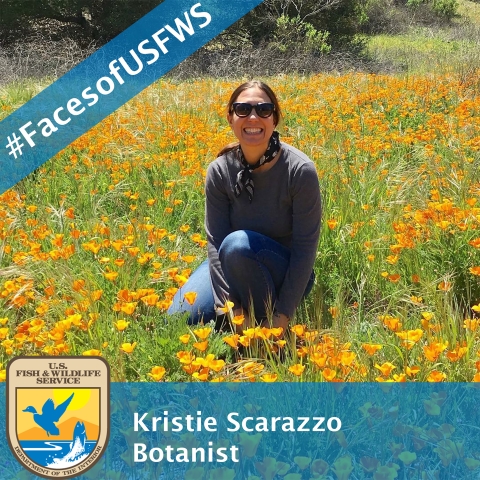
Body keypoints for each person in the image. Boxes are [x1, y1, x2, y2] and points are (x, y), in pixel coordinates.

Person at [168, 80, 322, 334]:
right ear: (230, 117)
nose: (253, 117)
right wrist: (230, 308)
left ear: (275, 119)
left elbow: (305, 251)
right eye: (243, 109)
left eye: (263, 110)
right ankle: (240, 318)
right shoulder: (220, 170)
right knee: (178, 319)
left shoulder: (299, 170)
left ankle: (265, 318)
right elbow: (216, 244)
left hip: (283, 272)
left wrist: (282, 316)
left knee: (238, 243)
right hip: (230, 262)